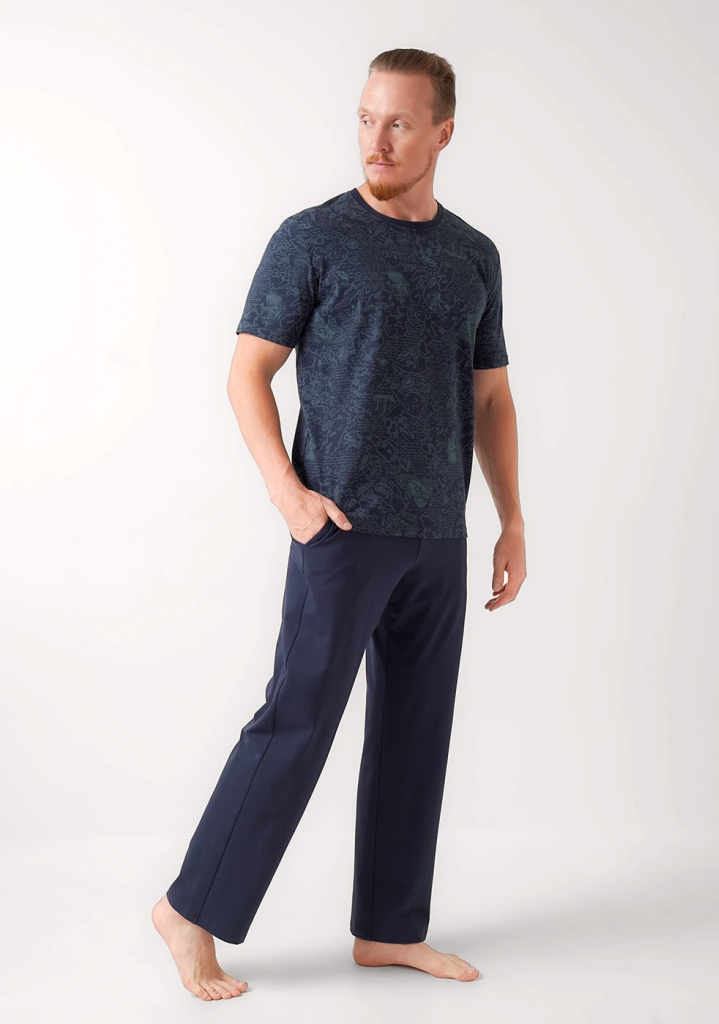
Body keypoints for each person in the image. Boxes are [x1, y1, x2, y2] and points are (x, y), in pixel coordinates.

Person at [152, 46, 526, 1002]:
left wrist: (512, 520)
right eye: (366, 118)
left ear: (443, 132)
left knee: (416, 731)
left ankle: (390, 930)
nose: (376, 139)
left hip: (438, 532)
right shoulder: (313, 237)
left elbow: (491, 398)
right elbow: (247, 372)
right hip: (340, 527)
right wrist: (289, 494)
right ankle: (190, 911)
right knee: (298, 720)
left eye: (399, 122)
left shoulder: (474, 254)